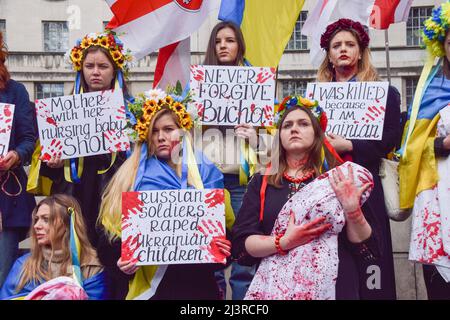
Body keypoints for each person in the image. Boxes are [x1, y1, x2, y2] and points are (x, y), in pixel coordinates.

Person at [232, 95, 379, 299]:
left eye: (303, 124)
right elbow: (242, 243)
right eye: (287, 126)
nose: (294, 129)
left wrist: (353, 211)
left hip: (336, 286)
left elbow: (366, 246)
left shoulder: (340, 178)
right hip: (277, 288)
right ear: (280, 136)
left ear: (317, 133)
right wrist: (283, 242)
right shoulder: (261, 181)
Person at [97, 91, 233, 300]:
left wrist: (225, 249)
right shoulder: (129, 177)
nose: (161, 137)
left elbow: (227, 232)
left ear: (183, 131)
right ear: (146, 135)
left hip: (197, 287)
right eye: (154, 131)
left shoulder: (207, 172)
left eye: (168, 129)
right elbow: (108, 240)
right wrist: (120, 264)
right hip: (152, 291)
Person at [317, 18, 400, 299]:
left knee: (371, 260)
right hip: (327, 189)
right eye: (336, 45)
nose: (343, 49)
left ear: (360, 51)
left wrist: (349, 143)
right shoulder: (314, 100)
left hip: (367, 190)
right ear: (328, 54)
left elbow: (390, 137)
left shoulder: (385, 93)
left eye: (349, 44)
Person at [33, 31, 133, 247]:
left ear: (114, 70)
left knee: (109, 258)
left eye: (103, 66)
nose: (95, 72)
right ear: (81, 69)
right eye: (89, 66)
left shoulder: (131, 112)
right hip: (73, 198)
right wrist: (54, 163)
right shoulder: (60, 111)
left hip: (112, 198)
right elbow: (48, 168)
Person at [202, 20, 260, 300]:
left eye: (230, 40)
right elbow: (185, 135)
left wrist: (256, 137)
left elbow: (273, 145)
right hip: (207, 181)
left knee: (242, 251)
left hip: (241, 181)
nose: (223, 45)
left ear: (240, 46)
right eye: (218, 41)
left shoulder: (257, 85)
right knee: (210, 250)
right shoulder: (197, 86)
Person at [399, 2, 450, 300]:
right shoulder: (427, 91)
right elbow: (409, 147)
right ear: (441, 44)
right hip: (436, 197)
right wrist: (441, 144)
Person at [0, 194, 106, 300]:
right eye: (36, 219)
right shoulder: (23, 265)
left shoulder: (92, 266)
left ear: (67, 224)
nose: (37, 225)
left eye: (46, 219)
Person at [0, 31, 37, 288]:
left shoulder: (15, 92)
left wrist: (17, 154)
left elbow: (28, 138)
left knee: (2, 272)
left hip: (6, 196)